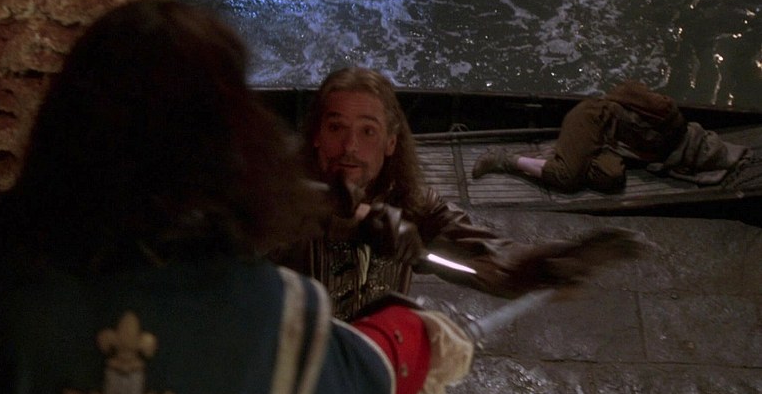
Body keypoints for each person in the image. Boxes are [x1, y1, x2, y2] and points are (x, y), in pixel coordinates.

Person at [0, 0, 473, 394]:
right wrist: (413, 332)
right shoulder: (276, 315)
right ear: (222, 142)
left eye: (367, 131)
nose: (350, 146)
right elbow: (367, 372)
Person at [270, 66, 646, 321]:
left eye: (368, 131)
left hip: (374, 367)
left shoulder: (415, 207)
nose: (350, 146)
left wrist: (545, 266)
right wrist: (359, 218)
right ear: (316, 135)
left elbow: (489, 260)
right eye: (336, 128)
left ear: (390, 143)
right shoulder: (278, 198)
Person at [471, 81, 750, 192]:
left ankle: (572, 153)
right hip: (592, 120)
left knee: (611, 177)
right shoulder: (665, 126)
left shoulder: (673, 128)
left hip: (613, 138)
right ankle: (504, 159)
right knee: (565, 177)